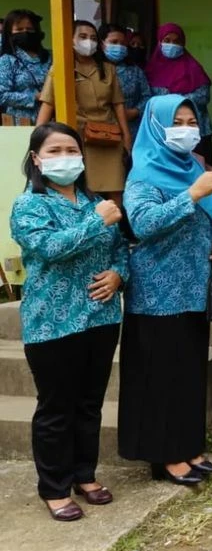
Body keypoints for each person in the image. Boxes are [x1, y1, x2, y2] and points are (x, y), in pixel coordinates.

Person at [10, 123, 128, 521]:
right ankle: (54, 487)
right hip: (52, 324)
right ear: (37, 160)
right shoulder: (29, 206)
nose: (65, 157)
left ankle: (84, 474)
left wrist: (117, 275)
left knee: (89, 403)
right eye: (55, 150)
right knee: (56, 407)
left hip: (101, 317)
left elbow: (119, 250)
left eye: (71, 149)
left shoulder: (92, 199)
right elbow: (50, 248)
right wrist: (98, 221)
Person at [118, 94, 212, 487]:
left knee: (188, 372)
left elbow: (208, 221)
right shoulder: (143, 174)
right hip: (155, 295)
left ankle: (187, 445)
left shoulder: (193, 168)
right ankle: (164, 455)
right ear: (155, 126)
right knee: (159, 376)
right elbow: (144, 222)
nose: (187, 129)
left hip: (192, 290)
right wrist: (192, 194)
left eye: (191, 121)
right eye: (176, 122)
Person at [37, 20, 131, 200]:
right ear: (71, 39)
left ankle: (114, 227)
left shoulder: (108, 69)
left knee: (115, 188)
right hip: (75, 137)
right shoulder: (61, 68)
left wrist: (126, 137)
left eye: (93, 38)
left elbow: (118, 104)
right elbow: (48, 104)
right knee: (78, 189)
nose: (89, 41)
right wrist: (38, 139)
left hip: (107, 137)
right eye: (83, 37)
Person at [144, 23, 212, 164]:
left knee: (198, 170)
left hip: (194, 132)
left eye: (177, 41)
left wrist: (173, 101)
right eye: (167, 41)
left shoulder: (193, 67)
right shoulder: (150, 70)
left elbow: (203, 96)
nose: (172, 45)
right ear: (159, 42)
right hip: (163, 131)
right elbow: (146, 99)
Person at [0, 9, 52, 126]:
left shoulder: (51, 57)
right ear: (10, 33)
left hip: (53, 121)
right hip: (20, 123)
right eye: (19, 30)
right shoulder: (7, 60)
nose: (25, 32)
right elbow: (1, 95)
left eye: (29, 29)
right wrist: (35, 97)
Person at [99, 23, 151, 138]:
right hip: (101, 130)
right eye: (114, 42)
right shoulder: (94, 69)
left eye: (122, 43)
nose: (119, 46)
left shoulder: (135, 70)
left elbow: (147, 96)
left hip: (132, 130)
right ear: (102, 44)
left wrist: (135, 111)